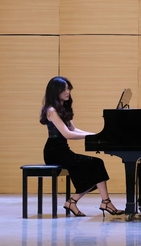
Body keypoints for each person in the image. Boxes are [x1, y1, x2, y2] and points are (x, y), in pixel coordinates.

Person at [39, 76, 123, 218]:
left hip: (63, 151)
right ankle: (98, 202)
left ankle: (84, 202)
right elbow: (68, 134)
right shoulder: (51, 110)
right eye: (64, 89)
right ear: (55, 91)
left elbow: (74, 129)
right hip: (54, 153)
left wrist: (96, 135)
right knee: (95, 164)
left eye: (68, 89)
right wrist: (92, 137)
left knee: (96, 165)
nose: (67, 92)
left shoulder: (61, 109)